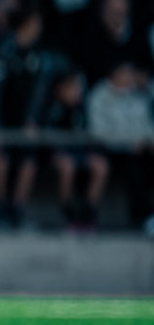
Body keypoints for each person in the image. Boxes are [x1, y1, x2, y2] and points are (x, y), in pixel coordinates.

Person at [0, 5, 65, 228]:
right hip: (3, 120)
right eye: (35, 23)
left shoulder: (39, 55)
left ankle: (18, 211)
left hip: (25, 122)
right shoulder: (3, 51)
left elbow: (39, 92)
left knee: (28, 161)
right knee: (0, 160)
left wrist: (32, 120)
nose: (39, 28)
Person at [87, 61, 154, 236]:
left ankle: (148, 216)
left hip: (137, 148)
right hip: (109, 149)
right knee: (133, 169)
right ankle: (140, 216)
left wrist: (146, 140)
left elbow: (145, 124)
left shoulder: (136, 94)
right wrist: (127, 142)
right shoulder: (99, 95)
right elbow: (98, 130)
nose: (130, 77)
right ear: (114, 75)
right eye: (125, 73)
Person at [38, 69, 106, 232]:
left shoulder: (82, 108)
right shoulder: (53, 108)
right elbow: (48, 139)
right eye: (71, 88)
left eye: (77, 88)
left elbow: (88, 135)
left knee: (101, 166)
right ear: (60, 90)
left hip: (80, 152)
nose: (76, 92)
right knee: (67, 166)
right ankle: (68, 213)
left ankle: (88, 212)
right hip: (58, 154)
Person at [81, 0, 152, 85]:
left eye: (120, 12)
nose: (117, 18)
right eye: (112, 12)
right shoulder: (91, 40)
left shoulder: (140, 35)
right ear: (102, 13)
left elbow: (146, 71)